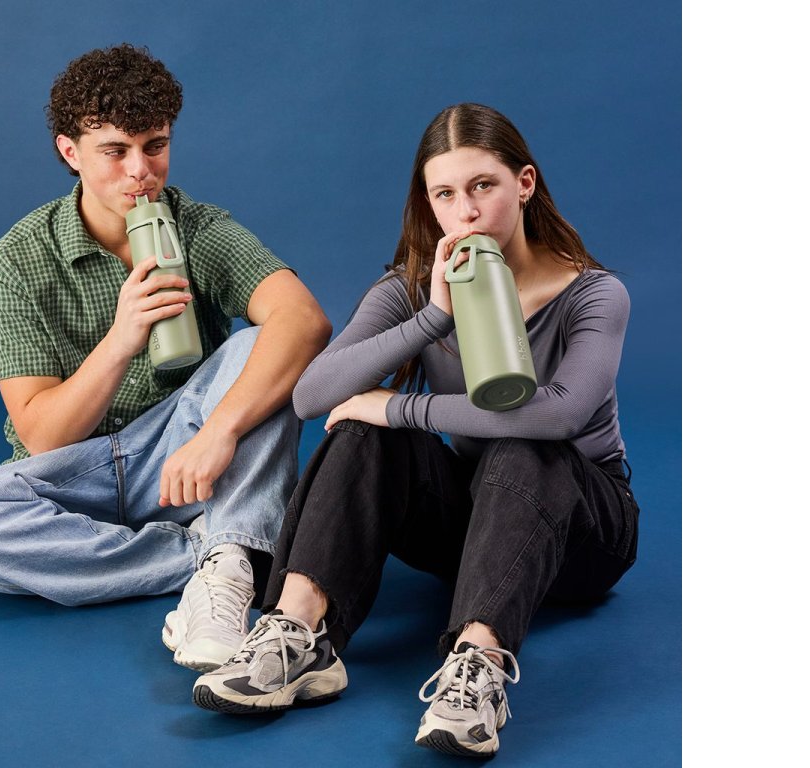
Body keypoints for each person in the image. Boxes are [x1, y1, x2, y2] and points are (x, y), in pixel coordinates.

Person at [191, 103, 640, 758]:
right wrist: (433, 316)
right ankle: (299, 634)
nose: (467, 211)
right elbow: (313, 395)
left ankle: (477, 669)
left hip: (585, 534)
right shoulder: (414, 288)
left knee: (517, 441)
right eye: (445, 194)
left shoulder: (593, 293)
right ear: (429, 203)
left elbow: (560, 414)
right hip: (481, 530)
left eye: (483, 185)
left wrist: (401, 407)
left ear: (524, 183)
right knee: (362, 433)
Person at [0, 44, 331, 674]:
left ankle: (225, 571)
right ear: (70, 152)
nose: (141, 171)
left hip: (184, 462)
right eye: (115, 151)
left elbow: (304, 320)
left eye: (155, 146)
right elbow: (42, 437)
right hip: (74, 476)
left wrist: (218, 432)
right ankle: (216, 554)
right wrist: (122, 337)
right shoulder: (16, 261)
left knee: (263, 345)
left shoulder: (196, 228)